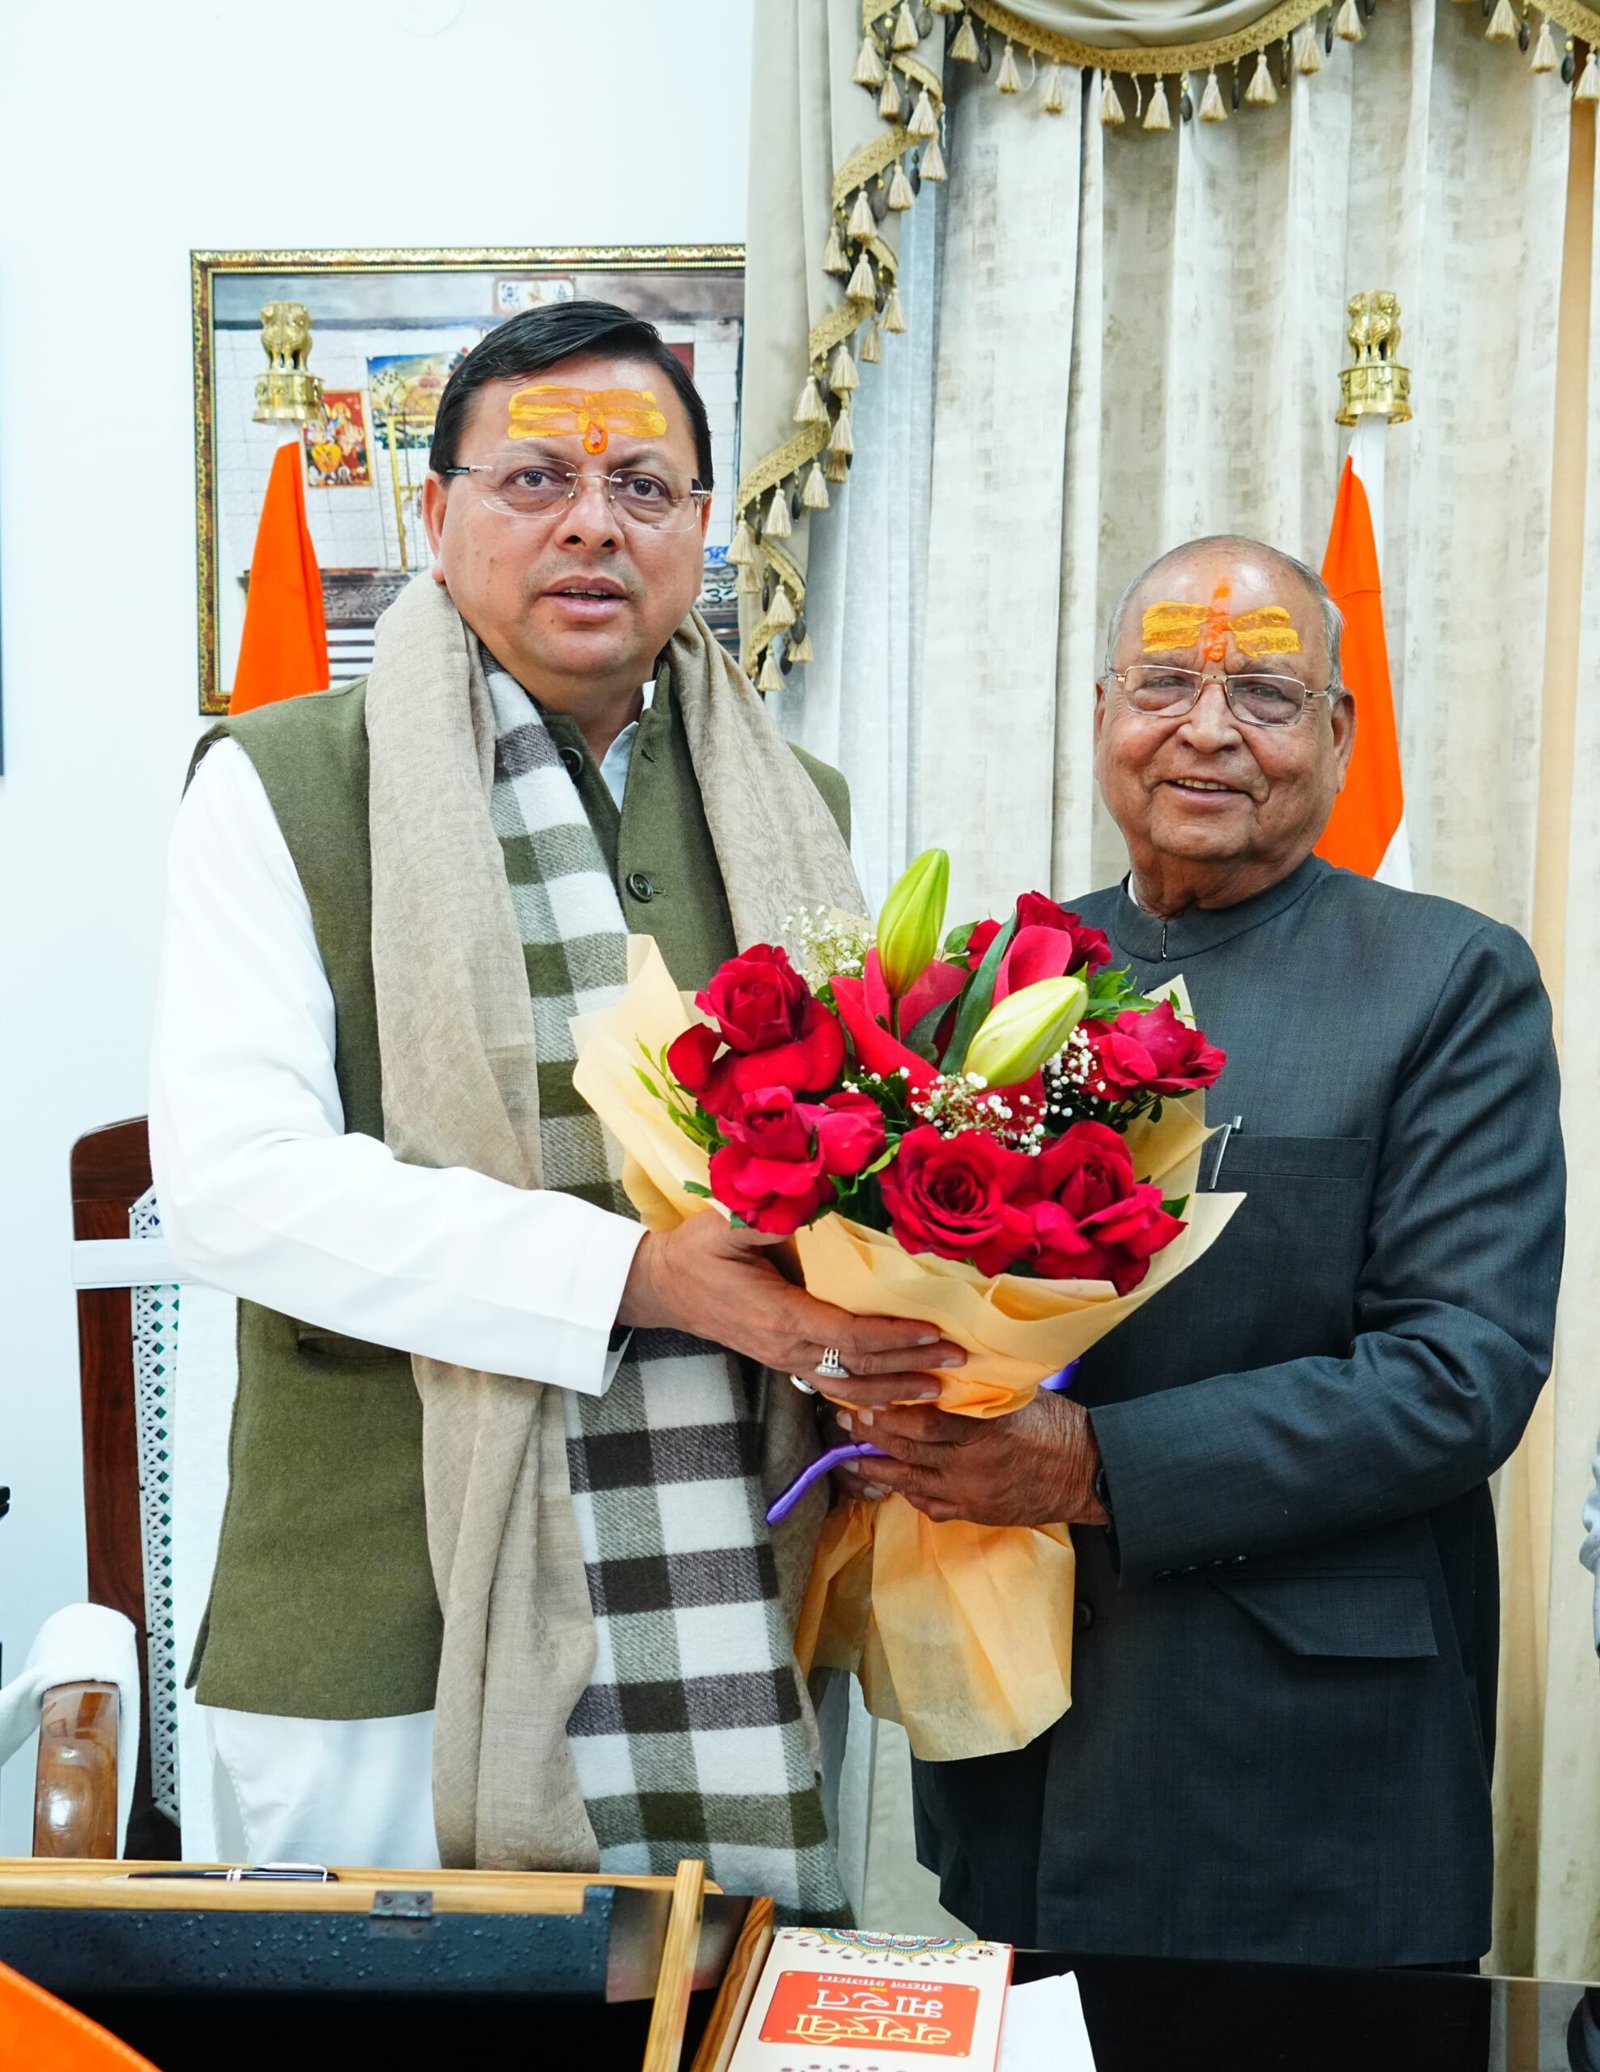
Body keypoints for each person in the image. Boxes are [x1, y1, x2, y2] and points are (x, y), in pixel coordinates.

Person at [150, 300, 962, 1903]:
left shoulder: (795, 811)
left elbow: (866, 1164)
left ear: (702, 528)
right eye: (535, 479)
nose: (593, 522)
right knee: (388, 2026)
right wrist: (639, 1278)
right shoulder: (281, 780)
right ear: (436, 515)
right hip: (384, 1617)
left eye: (644, 486)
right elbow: (239, 1191)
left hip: (737, 1581)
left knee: (707, 2005)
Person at [828, 535, 1564, 1967]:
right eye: (1165, 682)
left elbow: (1458, 1378)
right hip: (1025, 1750)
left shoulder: (1447, 981)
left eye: (1268, 695)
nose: (1209, 729)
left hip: (1303, 1773)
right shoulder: (1003, 975)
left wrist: (1091, 1466)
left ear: (1339, 733)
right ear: (1105, 711)